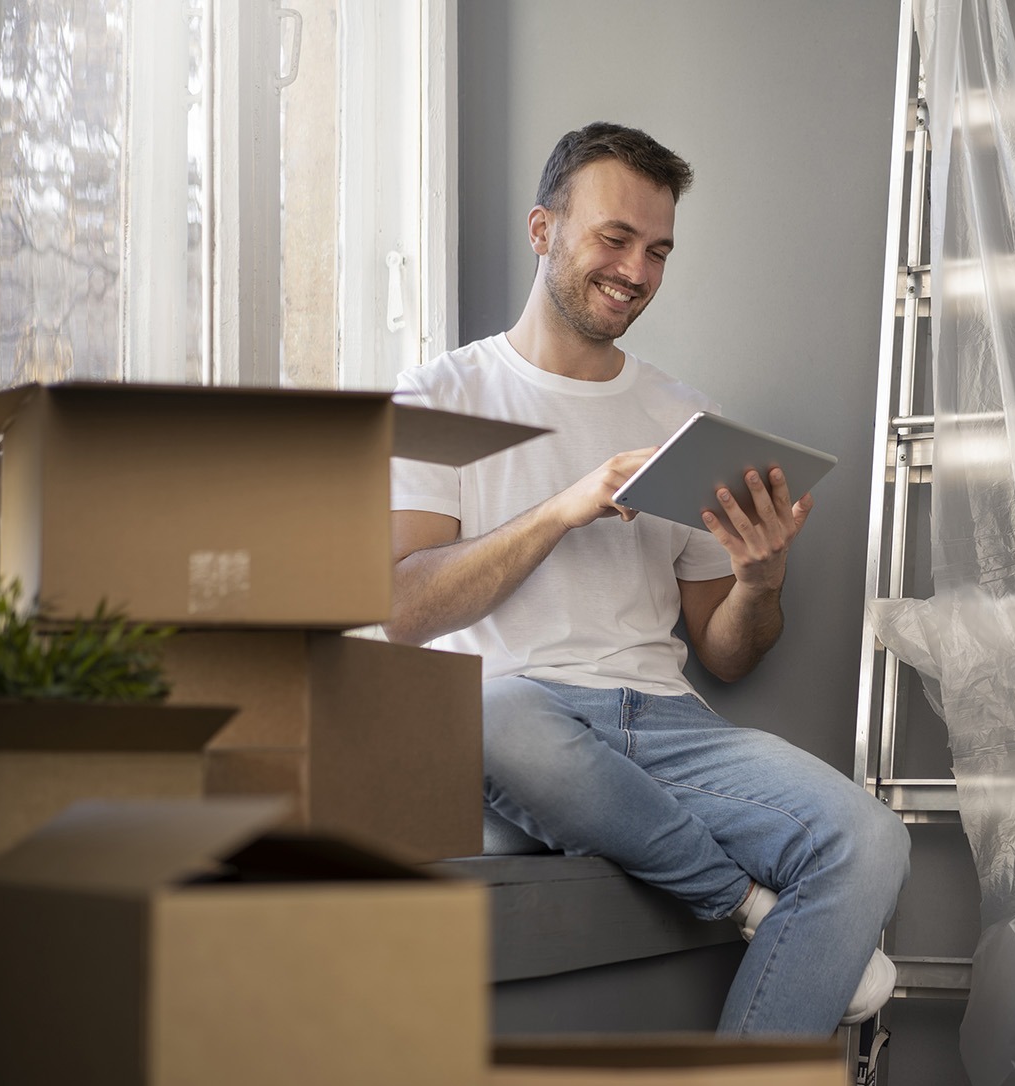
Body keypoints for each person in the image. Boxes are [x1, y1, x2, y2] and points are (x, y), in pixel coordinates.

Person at [384, 122, 908, 1036]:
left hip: (663, 730)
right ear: (543, 229)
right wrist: (561, 508)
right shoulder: (437, 397)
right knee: (482, 710)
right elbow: (401, 611)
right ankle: (739, 902)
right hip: (517, 719)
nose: (636, 270)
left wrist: (761, 579)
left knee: (870, 840)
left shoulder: (683, 417)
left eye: (658, 251)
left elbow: (728, 654)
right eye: (614, 238)